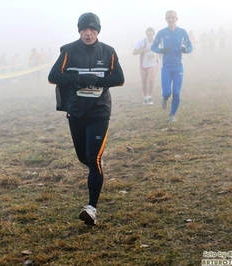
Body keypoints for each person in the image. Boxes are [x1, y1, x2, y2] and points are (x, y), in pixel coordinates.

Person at [48, 12, 124, 225]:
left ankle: (91, 208)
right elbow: (53, 76)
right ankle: (95, 167)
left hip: (100, 113)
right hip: (76, 112)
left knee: (94, 159)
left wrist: (98, 81)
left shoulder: (108, 52)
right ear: (79, 30)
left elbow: (119, 78)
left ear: (98, 31)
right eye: (84, 29)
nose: (88, 33)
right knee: (84, 157)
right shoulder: (68, 51)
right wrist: (80, 79)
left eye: (92, 29)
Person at [151, 10, 192, 122]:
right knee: (167, 92)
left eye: (172, 17)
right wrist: (161, 50)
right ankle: (164, 98)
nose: (171, 19)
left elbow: (190, 46)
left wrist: (186, 49)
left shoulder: (182, 32)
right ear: (166, 19)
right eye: (168, 17)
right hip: (166, 67)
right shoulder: (161, 33)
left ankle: (172, 115)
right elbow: (153, 47)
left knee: (177, 92)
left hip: (178, 66)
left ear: (176, 18)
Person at [133, 27, 160, 105]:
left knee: (151, 80)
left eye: (151, 35)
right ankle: (145, 98)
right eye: (148, 35)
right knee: (144, 81)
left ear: (154, 34)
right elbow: (134, 52)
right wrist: (144, 49)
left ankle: (149, 96)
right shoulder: (142, 42)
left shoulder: (157, 42)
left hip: (154, 64)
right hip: (144, 64)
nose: (149, 37)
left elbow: (161, 51)